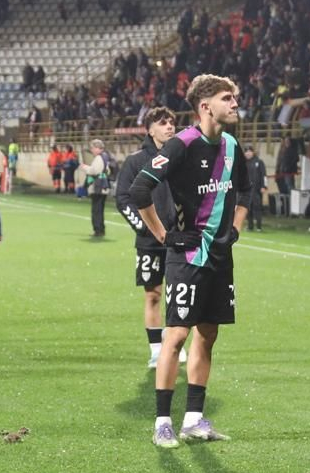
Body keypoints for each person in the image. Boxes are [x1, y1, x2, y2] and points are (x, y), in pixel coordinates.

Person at [128, 74, 250, 447]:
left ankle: (194, 419)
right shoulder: (182, 144)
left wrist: (236, 229)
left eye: (236, 97)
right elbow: (139, 189)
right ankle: (163, 422)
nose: (234, 103)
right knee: (177, 335)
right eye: (227, 98)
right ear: (205, 106)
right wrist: (163, 235)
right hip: (187, 255)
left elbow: (245, 189)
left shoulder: (231, 145)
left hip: (219, 256)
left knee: (208, 334)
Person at [116, 107, 181, 368]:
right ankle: (156, 349)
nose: (169, 127)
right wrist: (143, 227)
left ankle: (174, 344)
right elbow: (122, 198)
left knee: (178, 296)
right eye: (163, 123)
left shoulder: (180, 158)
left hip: (179, 239)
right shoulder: (135, 161)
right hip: (149, 242)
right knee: (153, 294)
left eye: (172, 123)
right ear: (150, 129)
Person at [83, 138, 115, 237]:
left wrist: (85, 168)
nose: (92, 150)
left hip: (98, 187)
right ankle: (101, 229)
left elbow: (94, 171)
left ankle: (98, 230)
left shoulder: (99, 158)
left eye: (93, 148)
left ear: (97, 148)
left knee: (96, 210)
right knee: (100, 209)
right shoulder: (106, 156)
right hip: (104, 186)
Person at [242, 145, 266, 231]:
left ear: (253, 152)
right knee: (248, 208)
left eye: (249, 151)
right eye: (246, 151)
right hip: (247, 190)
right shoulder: (243, 163)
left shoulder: (259, 162)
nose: (248, 153)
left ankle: (259, 226)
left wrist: (264, 186)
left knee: (257, 207)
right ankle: (250, 225)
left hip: (256, 189)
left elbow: (263, 175)